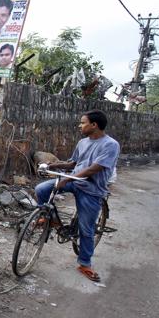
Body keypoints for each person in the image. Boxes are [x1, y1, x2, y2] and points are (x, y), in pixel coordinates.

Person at [34, 110, 120, 282]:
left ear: (94, 125)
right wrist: (53, 165)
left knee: (86, 229)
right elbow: (74, 163)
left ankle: (85, 263)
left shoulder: (110, 145)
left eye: (83, 122)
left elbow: (94, 168)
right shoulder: (82, 142)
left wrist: (66, 179)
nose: (80, 126)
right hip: (74, 180)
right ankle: (51, 219)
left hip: (92, 188)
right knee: (41, 189)